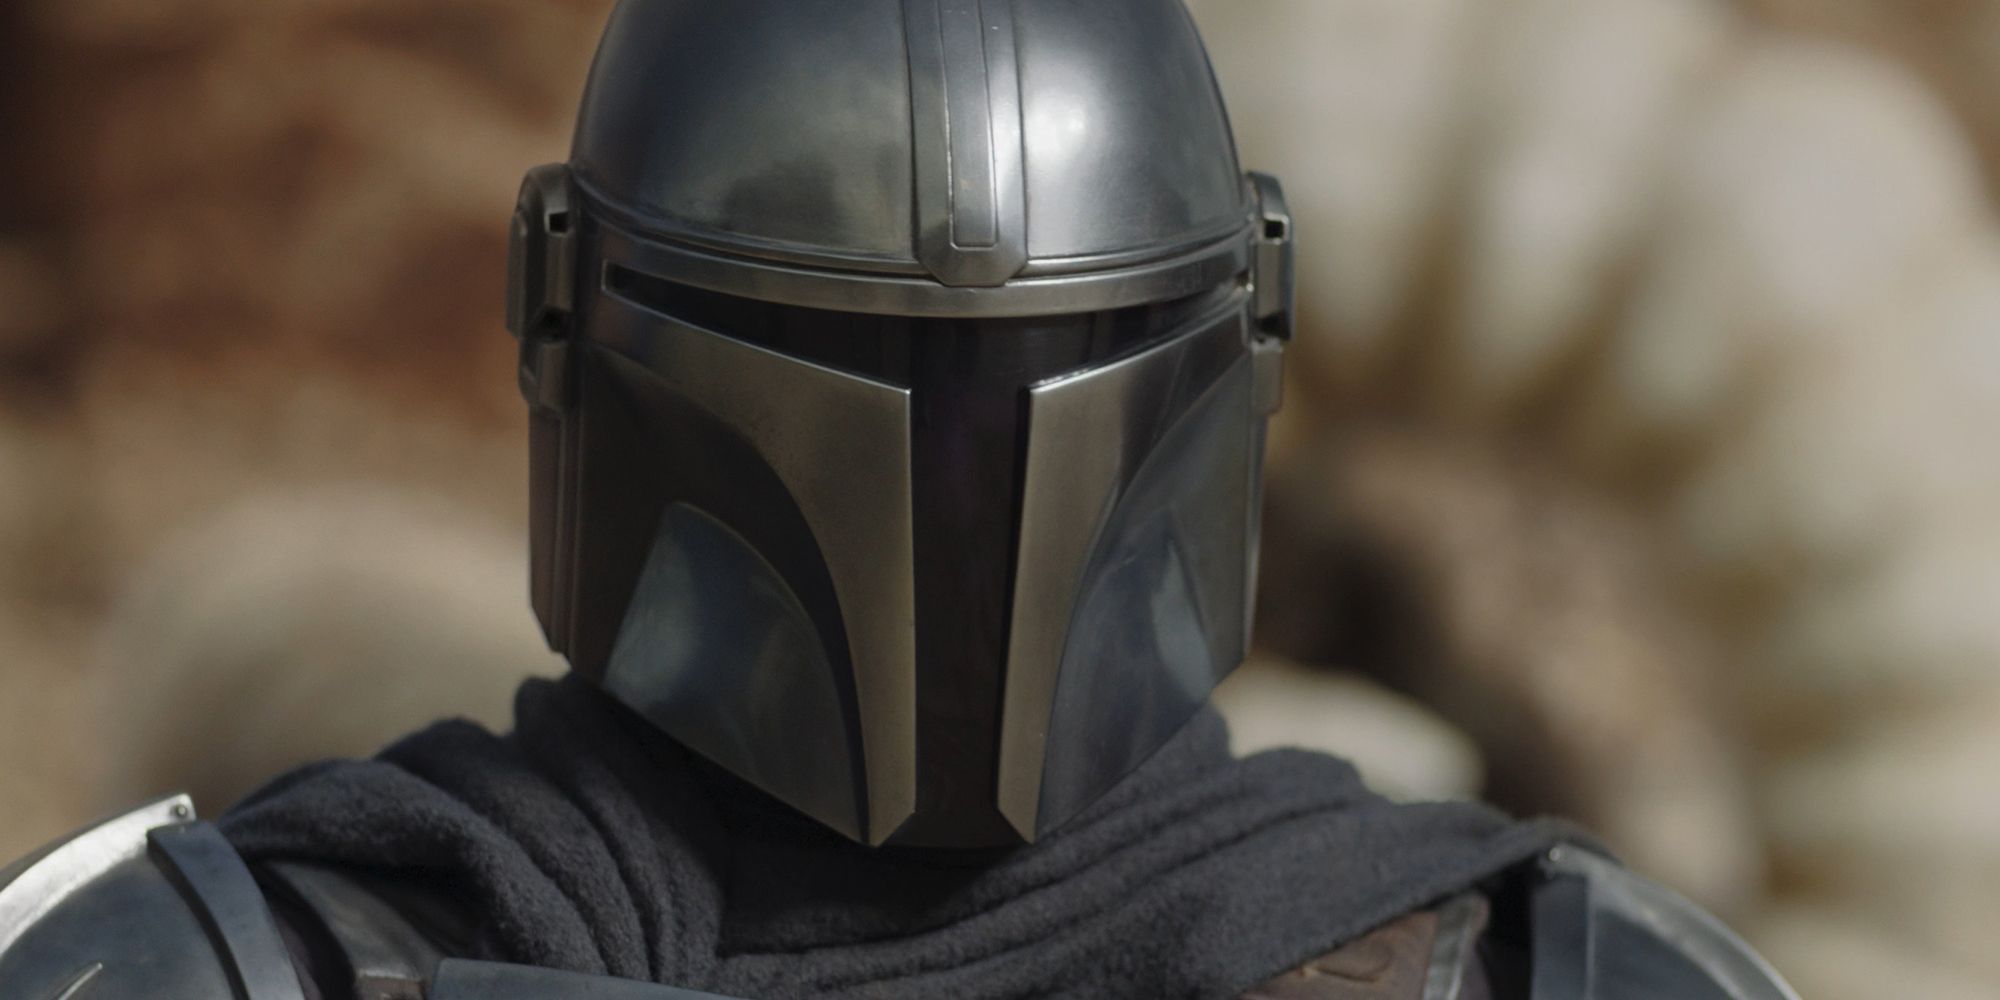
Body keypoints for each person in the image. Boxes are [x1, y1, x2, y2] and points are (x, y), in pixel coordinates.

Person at [0, 1, 1798, 997]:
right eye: (845, 366)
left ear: (561, 313)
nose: (957, 487)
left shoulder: (192, 973)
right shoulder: (1578, 985)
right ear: (1249, 320)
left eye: (1025, 383)